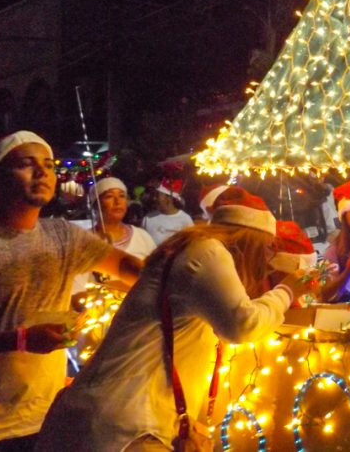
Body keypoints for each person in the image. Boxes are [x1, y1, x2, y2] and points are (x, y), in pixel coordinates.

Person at [35, 186, 319, 452]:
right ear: (250, 240)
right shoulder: (207, 251)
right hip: (127, 426)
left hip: (114, 417)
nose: (265, 259)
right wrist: (286, 290)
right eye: (267, 248)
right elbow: (242, 325)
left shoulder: (193, 249)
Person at [0, 131, 143, 451]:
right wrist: (21, 339)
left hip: (45, 419)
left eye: (48, 164)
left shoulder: (63, 236)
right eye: (26, 164)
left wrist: (189, 261)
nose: (42, 172)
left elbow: (131, 270)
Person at [71, 177, 156, 296]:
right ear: (96, 205)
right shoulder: (84, 242)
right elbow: (76, 288)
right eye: (109, 196)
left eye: (122, 196)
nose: (117, 202)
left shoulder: (142, 236)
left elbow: (155, 276)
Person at [143, 178, 193, 245]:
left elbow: (190, 245)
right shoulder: (148, 218)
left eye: (158, 195)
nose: (154, 198)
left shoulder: (186, 220)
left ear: (168, 198)